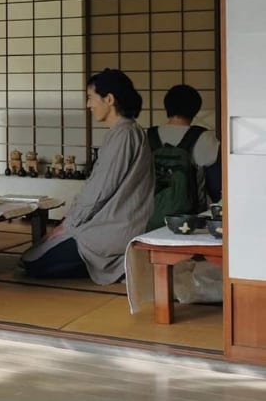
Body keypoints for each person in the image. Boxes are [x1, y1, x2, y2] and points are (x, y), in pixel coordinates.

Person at [21, 69, 154, 284]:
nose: (88, 105)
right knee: (31, 256)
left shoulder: (125, 134)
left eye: (91, 98)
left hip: (112, 227)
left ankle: (121, 265)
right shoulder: (125, 132)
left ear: (109, 99)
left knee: (34, 264)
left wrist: (69, 223)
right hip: (105, 223)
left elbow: (100, 189)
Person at [147, 85, 221, 227]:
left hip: (148, 216)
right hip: (188, 219)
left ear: (167, 107)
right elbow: (217, 179)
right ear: (195, 109)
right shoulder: (203, 137)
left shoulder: (149, 136)